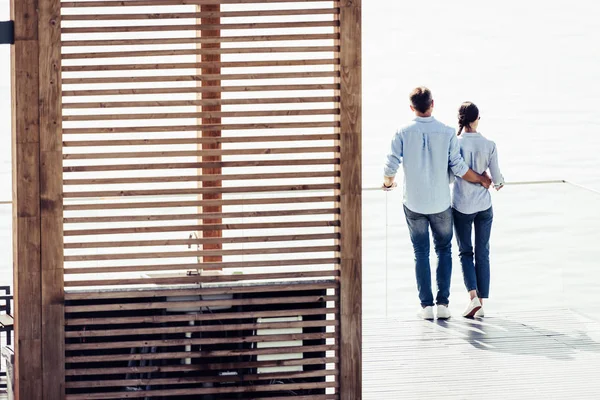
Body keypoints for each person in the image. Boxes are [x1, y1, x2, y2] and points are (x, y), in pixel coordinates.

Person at [383, 87, 492, 320]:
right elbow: (459, 168)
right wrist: (482, 178)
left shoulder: (402, 132)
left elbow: (390, 166)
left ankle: (426, 307)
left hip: (413, 203)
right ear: (432, 104)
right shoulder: (447, 132)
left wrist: (387, 183)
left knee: (420, 252)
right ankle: (443, 304)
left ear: (412, 107)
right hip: (441, 203)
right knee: (444, 250)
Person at [452, 101, 504, 318]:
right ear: (476, 119)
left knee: (466, 251)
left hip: (462, 205)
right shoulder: (489, 144)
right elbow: (498, 180)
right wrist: (494, 182)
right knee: (483, 252)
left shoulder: (455, 143)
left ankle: (473, 297)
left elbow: (452, 172)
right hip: (484, 206)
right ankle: (480, 303)